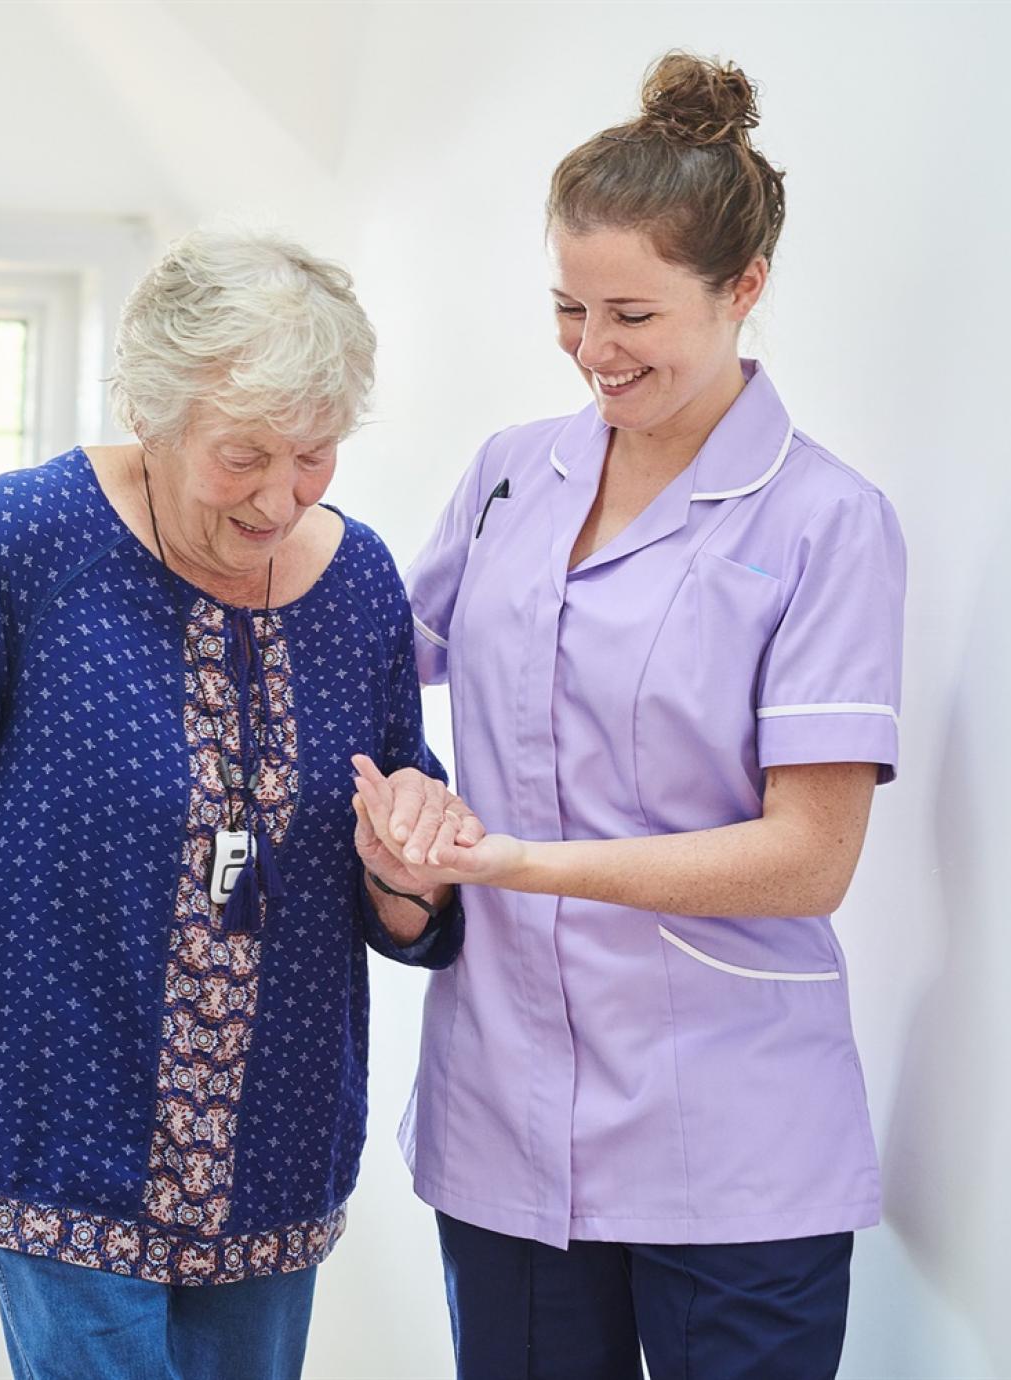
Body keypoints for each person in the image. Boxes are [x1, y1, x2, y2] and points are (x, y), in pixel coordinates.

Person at [0, 228, 468, 1380]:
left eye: (313, 455)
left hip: (275, 1125)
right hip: (54, 1100)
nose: (279, 497)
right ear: (152, 415)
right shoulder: (25, 539)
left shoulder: (357, 582)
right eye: (242, 455)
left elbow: (400, 853)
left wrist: (408, 868)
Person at [354, 53, 906, 1379]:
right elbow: (367, 661)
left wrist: (512, 865)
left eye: (633, 316)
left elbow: (809, 859)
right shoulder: (508, 479)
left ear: (745, 292)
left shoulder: (826, 522)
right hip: (504, 1118)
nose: (594, 352)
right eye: (568, 309)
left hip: (732, 1140)